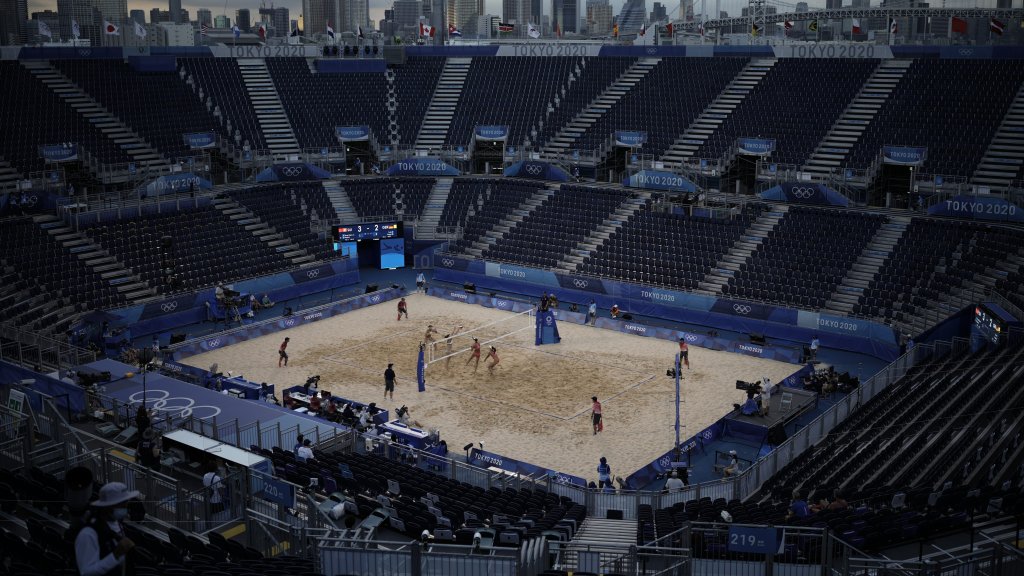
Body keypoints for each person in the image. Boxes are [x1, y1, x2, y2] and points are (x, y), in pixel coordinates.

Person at [74, 482, 138, 576]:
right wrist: (116, 555)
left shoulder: (116, 523)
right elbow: (86, 572)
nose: (125, 509)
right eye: (122, 505)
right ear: (108, 506)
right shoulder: (88, 534)